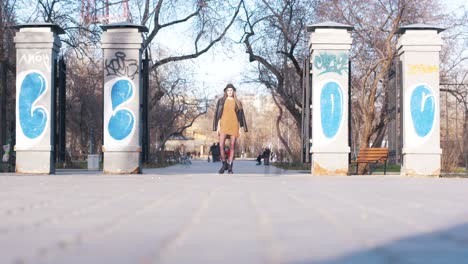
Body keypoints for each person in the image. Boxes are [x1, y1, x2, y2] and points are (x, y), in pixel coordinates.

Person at [213, 83, 248, 174]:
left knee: (232, 146)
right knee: (221, 146)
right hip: (223, 124)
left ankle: (230, 166)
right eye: (228, 90)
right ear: (225, 91)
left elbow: (240, 116)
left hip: (234, 124)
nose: (229, 92)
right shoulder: (221, 101)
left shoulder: (237, 102)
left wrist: (240, 128)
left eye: (231, 90)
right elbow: (218, 114)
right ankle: (224, 163)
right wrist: (218, 126)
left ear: (234, 91)